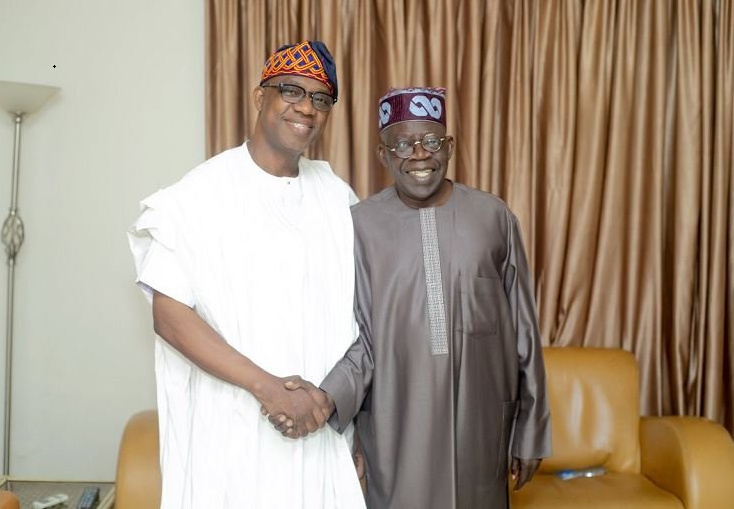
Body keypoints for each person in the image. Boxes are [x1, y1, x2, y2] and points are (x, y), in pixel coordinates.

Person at [271, 86, 551, 508]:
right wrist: (325, 401)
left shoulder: (494, 218)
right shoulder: (358, 228)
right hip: (397, 431)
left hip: (481, 428)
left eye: (431, 141)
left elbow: (524, 333)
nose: (419, 155)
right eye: (402, 144)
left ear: (449, 148)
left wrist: (530, 430)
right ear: (383, 155)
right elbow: (358, 340)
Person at [127, 40, 365, 509]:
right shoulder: (199, 195)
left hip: (321, 434)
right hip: (233, 433)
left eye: (321, 99)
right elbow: (170, 315)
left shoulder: (337, 198)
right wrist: (269, 388)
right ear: (261, 97)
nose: (306, 108)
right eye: (290, 91)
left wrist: (336, 407)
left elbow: (364, 316)